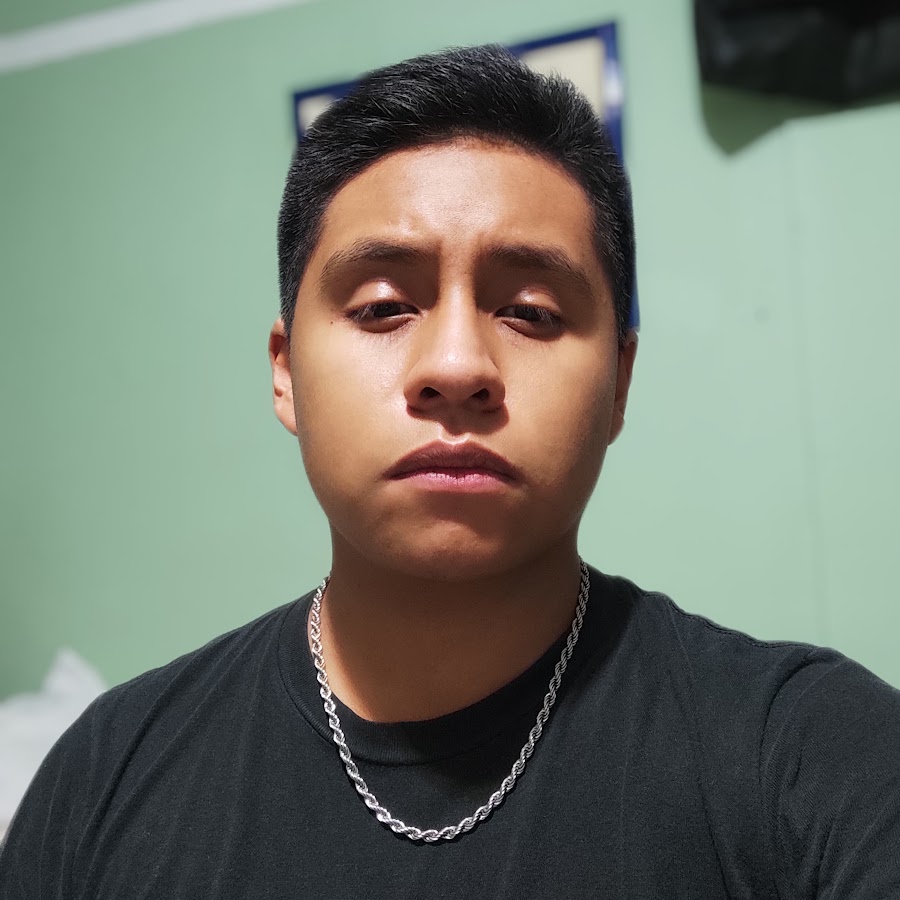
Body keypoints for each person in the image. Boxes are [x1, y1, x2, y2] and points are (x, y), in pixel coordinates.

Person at [1, 43, 898, 899]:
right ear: (286, 372)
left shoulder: (812, 754)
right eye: (383, 306)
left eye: (531, 311)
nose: (459, 365)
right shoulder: (105, 776)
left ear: (619, 383)